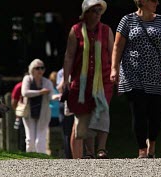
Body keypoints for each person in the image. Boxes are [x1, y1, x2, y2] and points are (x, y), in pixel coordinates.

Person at [111, 0, 161, 158]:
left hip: (155, 74)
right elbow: (117, 46)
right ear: (141, 1)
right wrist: (114, 69)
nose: (157, 2)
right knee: (139, 111)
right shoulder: (127, 20)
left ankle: (152, 145)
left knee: (155, 113)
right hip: (132, 73)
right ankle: (142, 149)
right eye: (153, 0)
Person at [58, 0, 114, 159]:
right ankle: (89, 152)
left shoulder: (106, 30)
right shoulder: (75, 30)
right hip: (81, 82)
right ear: (86, 13)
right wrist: (66, 79)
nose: (97, 14)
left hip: (103, 80)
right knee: (85, 115)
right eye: (94, 11)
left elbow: (112, 54)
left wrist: (115, 72)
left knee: (102, 112)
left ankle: (101, 149)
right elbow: (69, 56)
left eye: (99, 11)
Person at [22, 58, 53, 154]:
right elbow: (25, 92)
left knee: (41, 139)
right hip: (29, 112)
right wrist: (40, 92)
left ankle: (42, 158)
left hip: (43, 113)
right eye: (37, 68)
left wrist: (58, 96)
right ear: (32, 69)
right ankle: (30, 158)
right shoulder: (27, 79)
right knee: (30, 139)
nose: (40, 70)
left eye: (42, 68)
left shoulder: (47, 82)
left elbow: (51, 96)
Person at [57, 67, 73, 159]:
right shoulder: (61, 72)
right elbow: (59, 89)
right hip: (65, 104)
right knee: (67, 132)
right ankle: (69, 157)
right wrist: (66, 77)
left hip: (79, 103)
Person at [11, 80, 26, 152]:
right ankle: (22, 152)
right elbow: (14, 102)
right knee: (22, 134)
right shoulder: (19, 86)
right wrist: (18, 112)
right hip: (22, 114)